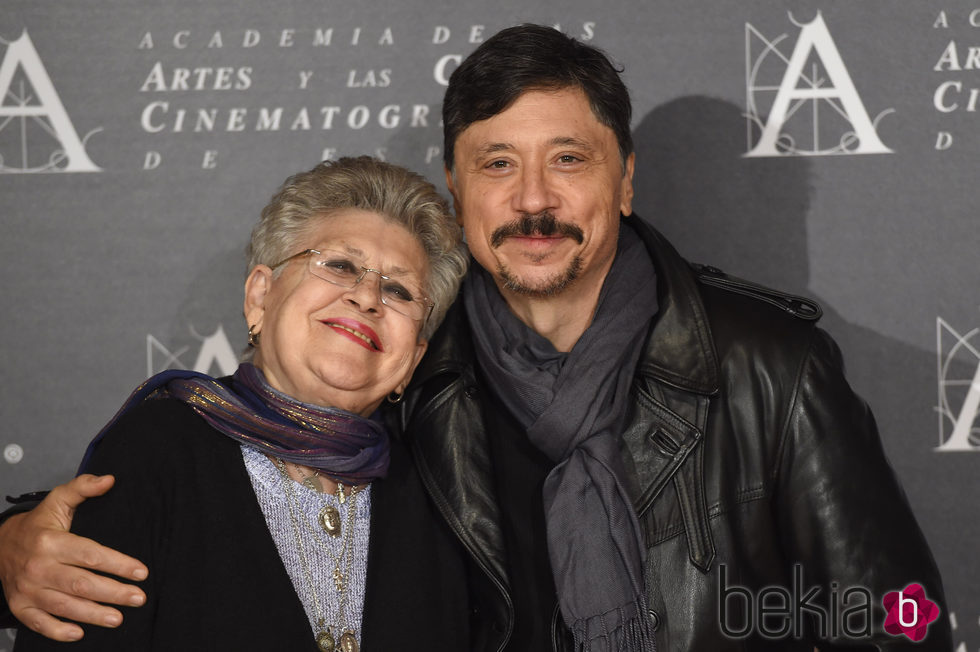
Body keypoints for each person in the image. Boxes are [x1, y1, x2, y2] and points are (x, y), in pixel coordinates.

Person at [0, 24, 953, 651]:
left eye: (567, 161)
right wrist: (15, 537)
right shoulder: (409, 363)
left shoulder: (770, 371)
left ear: (624, 182)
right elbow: (227, 466)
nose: (533, 200)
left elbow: (903, 620)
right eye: (498, 164)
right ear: (458, 195)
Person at [7, 156, 470, 651]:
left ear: (415, 353)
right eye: (340, 265)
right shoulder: (158, 448)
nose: (368, 297)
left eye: (399, 289)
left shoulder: (440, 491)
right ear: (260, 297)